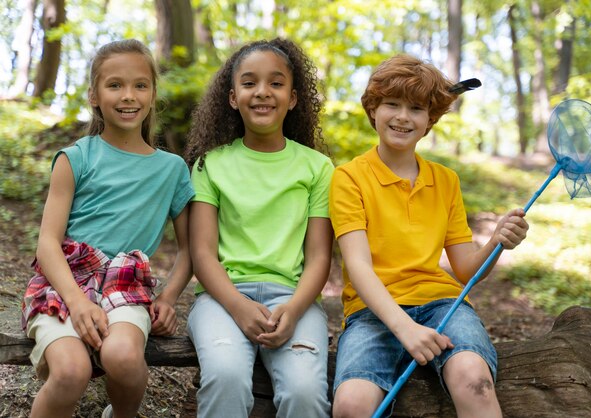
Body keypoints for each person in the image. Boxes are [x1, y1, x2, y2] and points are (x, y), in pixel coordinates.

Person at [329, 54, 529, 418]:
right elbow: (357, 266)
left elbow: (467, 270)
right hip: (371, 311)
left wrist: (497, 242)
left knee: (474, 381)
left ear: (429, 121)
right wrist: (405, 328)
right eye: (392, 104)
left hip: (443, 305)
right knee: (350, 406)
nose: (403, 116)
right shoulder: (349, 178)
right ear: (373, 109)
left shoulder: (445, 180)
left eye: (416, 108)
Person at [21, 39, 195, 418]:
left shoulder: (172, 170)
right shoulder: (76, 157)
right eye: (114, 85)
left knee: (123, 357)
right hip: (65, 280)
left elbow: (190, 250)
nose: (128, 96)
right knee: (70, 371)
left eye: (140, 85)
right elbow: (48, 244)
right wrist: (78, 302)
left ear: (152, 94)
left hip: (126, 283)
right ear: (94, 95)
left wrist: (168, 298)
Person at [184, 37, 334, 418]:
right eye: (249, 83)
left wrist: (295, 308)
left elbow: (319, 256)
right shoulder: (210, 165)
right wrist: (238, 306)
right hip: (221, 298)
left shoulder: (318, 168)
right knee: (226, 375)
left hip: (294, 301)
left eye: (276, 83)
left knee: (304, 392)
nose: (263, 92)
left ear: (294, 98)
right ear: (233, 97)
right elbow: (201, 253)